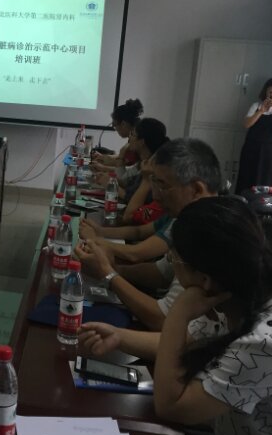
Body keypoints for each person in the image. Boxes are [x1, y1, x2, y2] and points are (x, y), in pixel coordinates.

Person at [82, 197, 272, 435]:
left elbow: (172, 406)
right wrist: (119, 337)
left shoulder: (270, 341)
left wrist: (179, 313)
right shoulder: (241, 294)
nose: (172, 264)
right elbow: (185, 341)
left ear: (204, 278)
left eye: (174, 259)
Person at [76, 138, 220, 330]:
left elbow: (165, 319)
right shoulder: (184, 219)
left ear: (196, 190)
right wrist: (114, 268)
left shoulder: (213, 233)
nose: (156, 196)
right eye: (153, 183)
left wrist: (107, 274)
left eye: (163, 185)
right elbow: (162, 273)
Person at [235, 77, 272, 193]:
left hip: (270, 154)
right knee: (246, 180)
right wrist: (261, 111)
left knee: (266, 183)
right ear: (266, 92)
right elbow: (246, 124)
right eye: (270, 91)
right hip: (251, 149)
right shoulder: (256, 105)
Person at [120, 118, 168, 225]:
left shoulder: (152, 169)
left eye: (132, 134)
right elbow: (127, 184)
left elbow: (130, 213)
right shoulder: (143, 162)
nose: (129, 139)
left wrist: (113, 186)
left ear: (142, 142)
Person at [91, 98, 143, 170]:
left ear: (123, 124)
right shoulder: (134, 135)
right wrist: (102, 157)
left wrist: (103, 168)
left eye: (115, 125)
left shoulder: (137, 140)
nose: (115, 129)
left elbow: (129, 169)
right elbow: (124, 158)